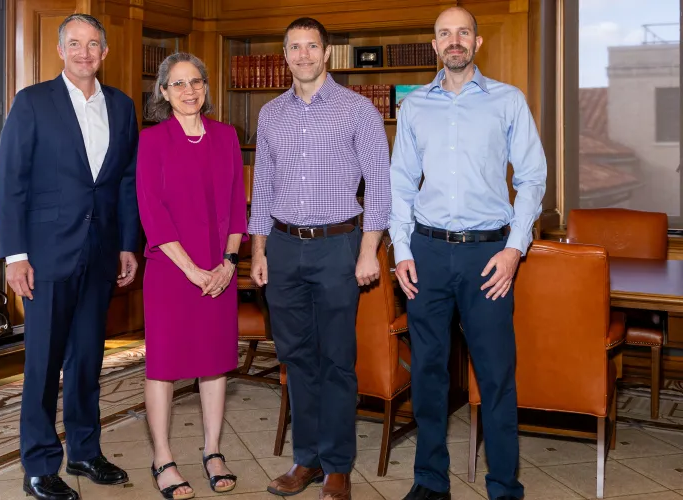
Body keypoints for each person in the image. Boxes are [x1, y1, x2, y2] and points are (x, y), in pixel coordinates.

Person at [389, 6, 547, 500]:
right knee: (430, 375)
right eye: (444, 34)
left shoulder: (508, 101)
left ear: (478, 43)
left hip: (489, 258)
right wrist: (400, 249)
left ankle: (504, 485)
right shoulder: (414, 106)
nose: (453, 41)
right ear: (434, 45)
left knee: (496, 376)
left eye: (463, 33)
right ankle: (430, 482)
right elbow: (400, 185)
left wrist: (515, 249)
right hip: (427, 255)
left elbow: (532, 178)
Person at [0, 13, 139, 500]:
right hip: (45, 256)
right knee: (43, 364)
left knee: (87, 362)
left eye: (93, 44)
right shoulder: (32, 102)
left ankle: (83, 451)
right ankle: (39, 463)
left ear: (105, 52)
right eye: (75, 44)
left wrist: (126, 244)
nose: (85, 53)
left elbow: (124, 184)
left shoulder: (121, 107)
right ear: (60, 50)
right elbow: (12, 183)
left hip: (99, 255)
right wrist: (15, 256)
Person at [249, 17, 391, 500]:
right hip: (284, 248)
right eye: (294, 47)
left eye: (312, 46)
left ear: (326, 53)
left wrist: (369, 250)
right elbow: (262, 186)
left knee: (336, 361)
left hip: (338, 247)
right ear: (284, 54)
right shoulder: (270, 113)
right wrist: (259, 250)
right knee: (295, 358)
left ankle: (337, 465)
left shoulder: (358, 110)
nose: (303, 55)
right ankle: (305, 459)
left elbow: (380, 184)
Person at [136, 52, 245, 500]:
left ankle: (213, 450)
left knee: (214, 362)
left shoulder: (227, 136)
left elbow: (239, 205)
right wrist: (194, 271)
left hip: (220, 269)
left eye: (195, 81)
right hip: (171, 271)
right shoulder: (152, 141)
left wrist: (227, 264)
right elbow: (152, 213)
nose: (188, 90)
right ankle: (162, 457)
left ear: (206, 87)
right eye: (177, 84)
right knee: (162, 366)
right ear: (163, 92)